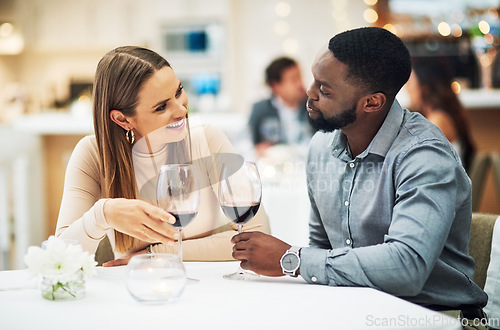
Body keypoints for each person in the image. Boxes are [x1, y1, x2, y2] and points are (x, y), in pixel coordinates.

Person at [231, 27, 488, 324]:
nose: (309, 93)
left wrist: (292, 259)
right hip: (355, 308)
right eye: (314, 79)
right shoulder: (321, 148)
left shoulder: (424, 156)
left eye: (325, 90)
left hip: (434, 316)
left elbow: (407, 269)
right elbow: (324, 248)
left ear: (372, 103)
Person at [55, 46, 270, 265]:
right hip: (138, 292)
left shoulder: (206, 139)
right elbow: (60, 258)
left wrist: (157, 253)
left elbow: (258, 236)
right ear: (122, 119)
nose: (181, 111)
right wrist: (102, 214)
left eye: (178, 92)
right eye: (161, 107)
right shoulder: (93, 155)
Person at [406, 57, 476, 173]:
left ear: (425, 88)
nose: (407, 88)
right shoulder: (440, 116)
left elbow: (418, 163)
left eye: (410, 83)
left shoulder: (438, 120)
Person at [248, 57, 314, 156]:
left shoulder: (313, 108)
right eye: (293, 80)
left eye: (300, 77)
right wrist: (257, 150)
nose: (300, 84)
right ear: (275, 86)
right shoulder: (260, 109)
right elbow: (246, 141)